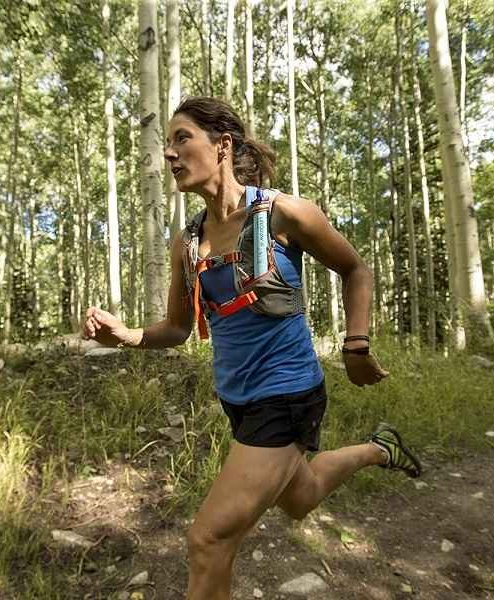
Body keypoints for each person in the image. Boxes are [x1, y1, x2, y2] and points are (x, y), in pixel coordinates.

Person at [82, 97, 422, 600]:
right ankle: (380, 448)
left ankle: (375, 447)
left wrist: (356, 344)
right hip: (237, 400)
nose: (170, 154)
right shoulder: (188, 243)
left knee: (208, 540)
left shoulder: (282, 213)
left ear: (221, 146)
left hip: (286, 394)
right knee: (299, 497)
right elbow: (177, 329)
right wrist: (127, 335)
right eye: (166, 144)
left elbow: (356, 269)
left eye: (182, 138)